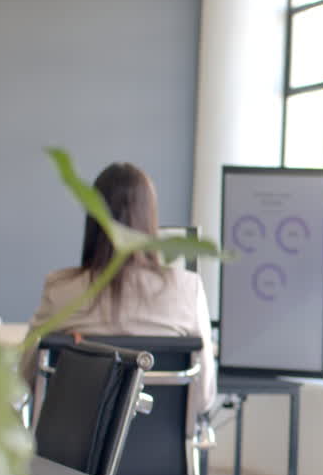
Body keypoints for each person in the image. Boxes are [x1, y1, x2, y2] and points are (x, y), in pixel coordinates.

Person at [21, 162, 216, 419]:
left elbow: (28, 379)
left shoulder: (61, 289)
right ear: (150, 221)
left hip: (72, 455)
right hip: (160, 454)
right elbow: (203, 397)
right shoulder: (187, 289)